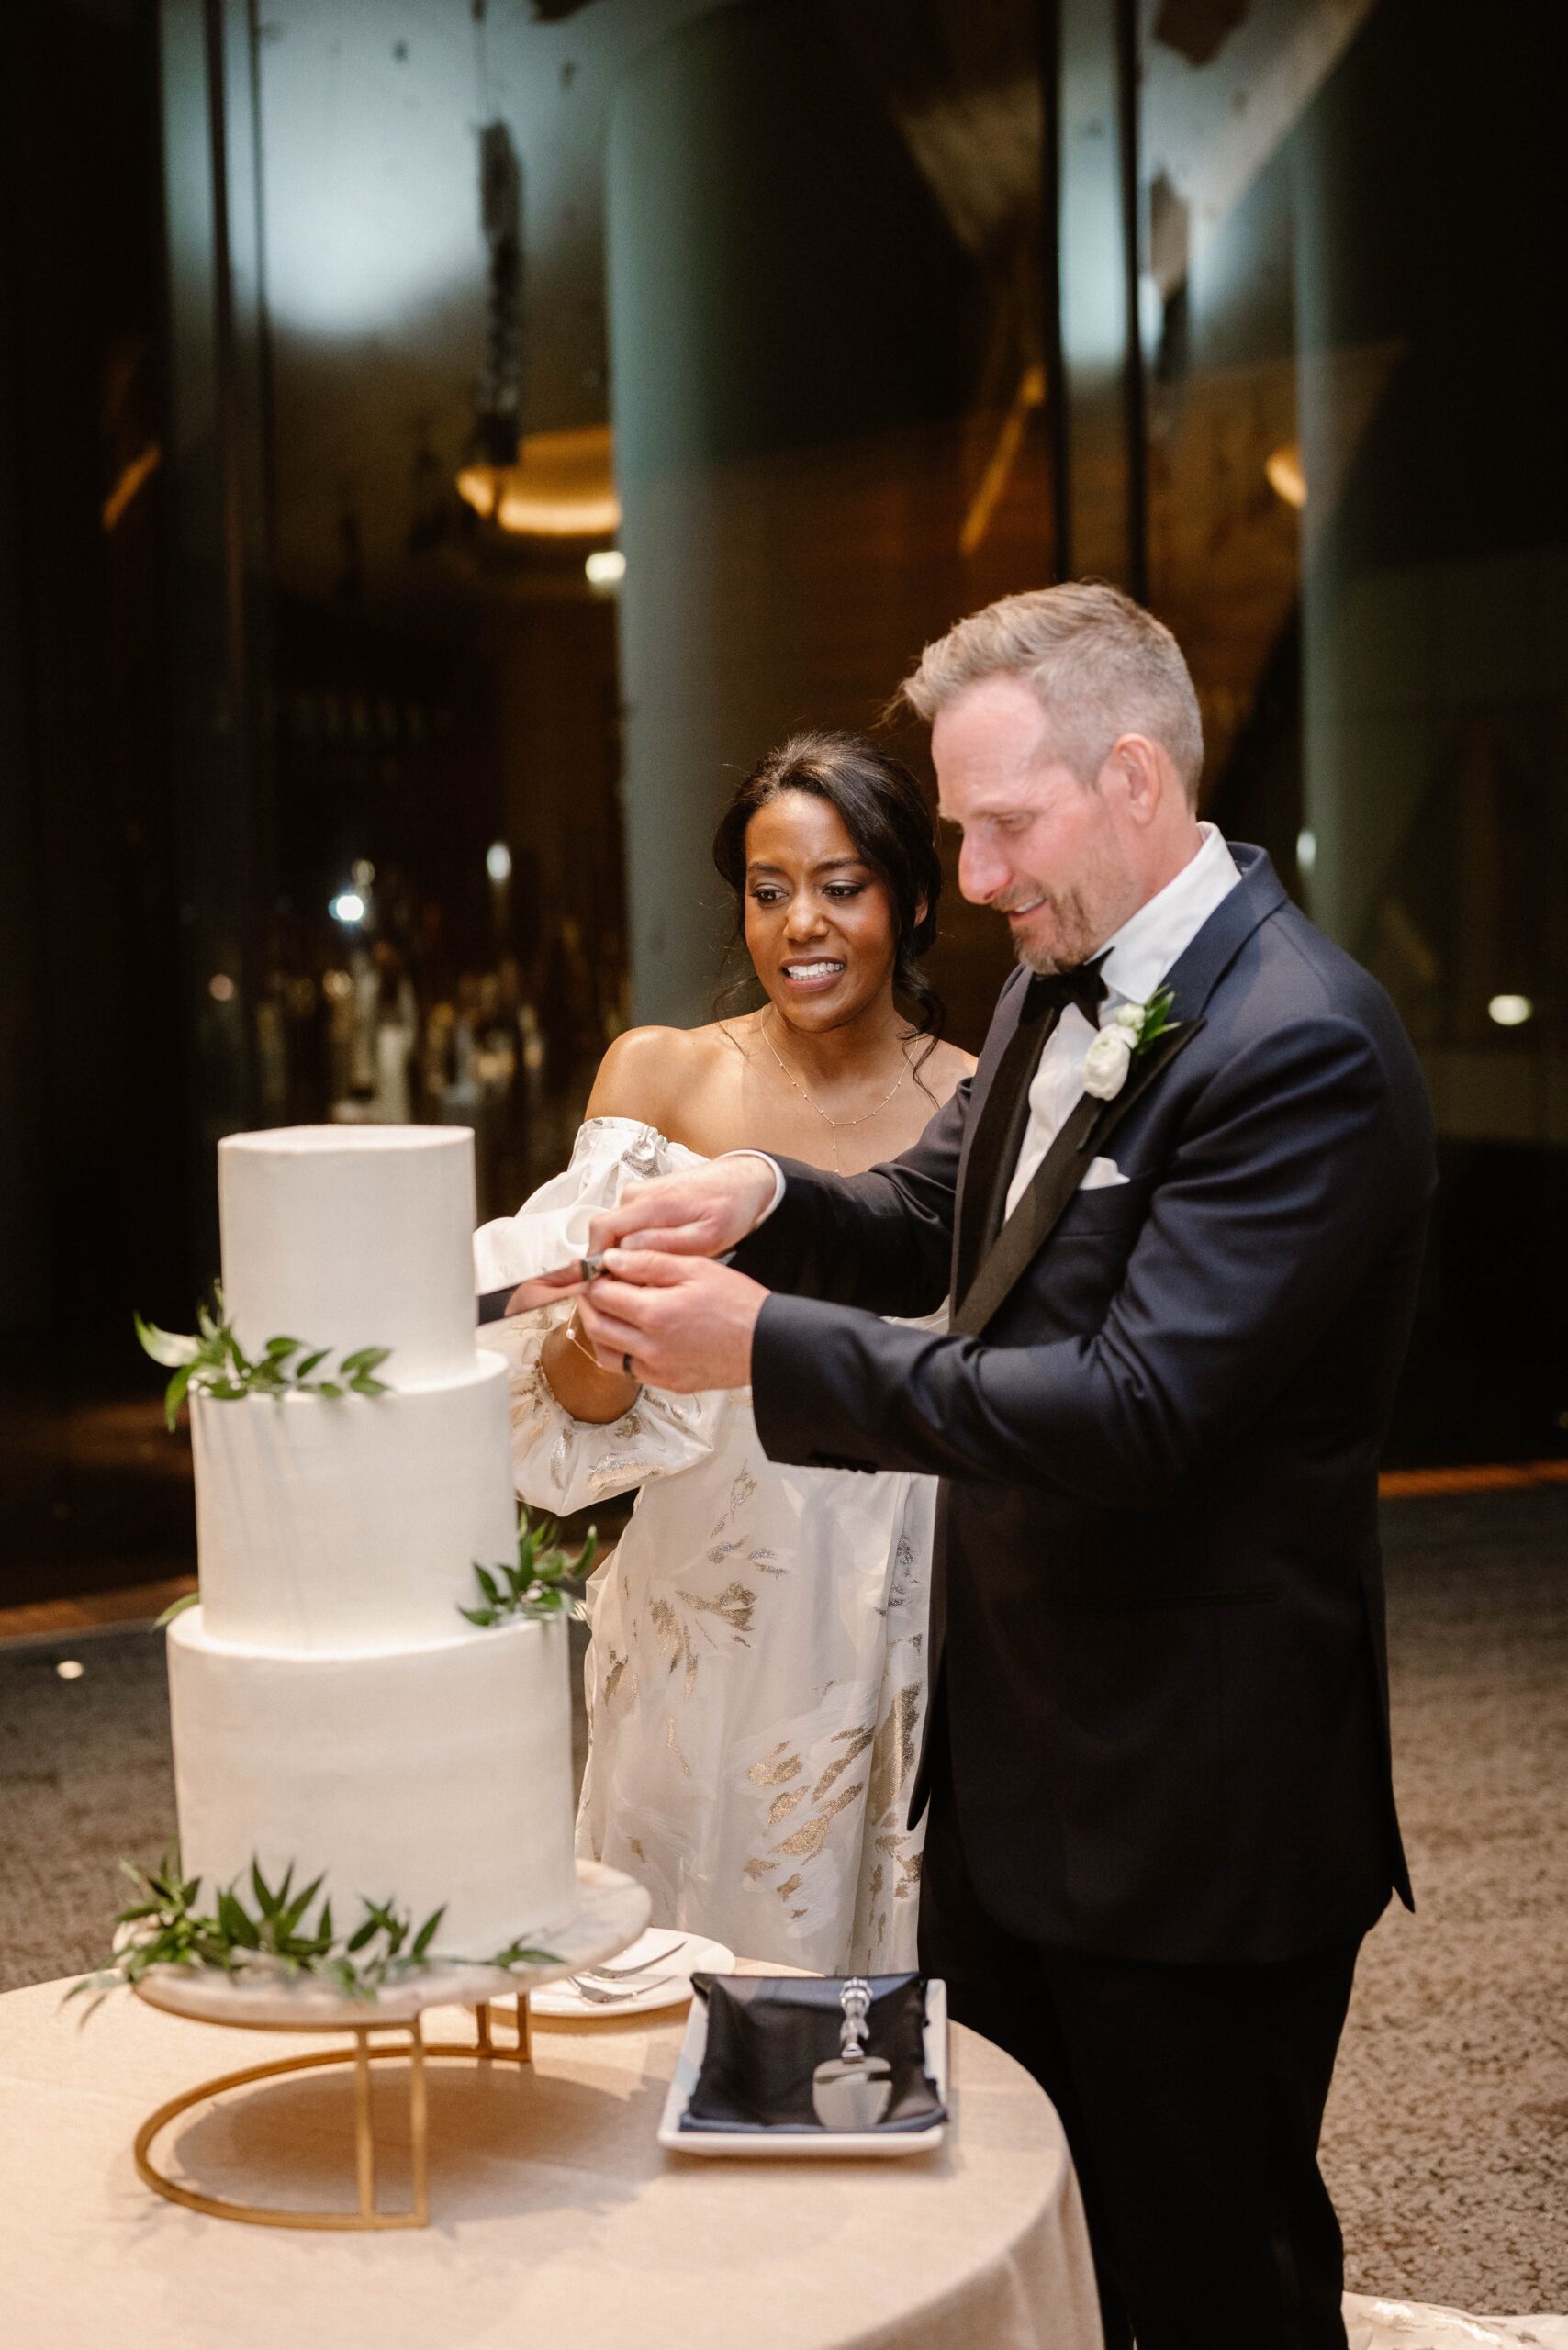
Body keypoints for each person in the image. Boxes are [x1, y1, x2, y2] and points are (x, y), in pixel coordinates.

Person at [532, 586, 1437, 2350]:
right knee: (1035, 2240)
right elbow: (937, 1213)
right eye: (958, 826)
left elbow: (1131, 1411)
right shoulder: (1056, 985)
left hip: (1190, 1806)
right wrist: (766, 1204)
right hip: (1023, 1780)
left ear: (1133, 777)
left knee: (1202, 2273)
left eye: (1001, 824)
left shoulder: (1300, 1045)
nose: (980, 867)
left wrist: (759, 1344)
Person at [475, 731, 974, 1973]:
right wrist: (602, 1336)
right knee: (693, 1986)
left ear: (910, 899)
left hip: (908, 1613)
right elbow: (563, 1424)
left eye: (841, 886)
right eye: (768, 891)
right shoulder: (664, 1076)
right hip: (710, 1623)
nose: (802, 923)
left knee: (889, 2000)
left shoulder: (981, 1100)